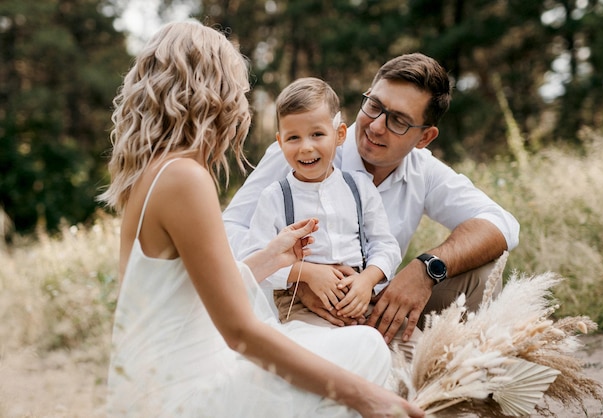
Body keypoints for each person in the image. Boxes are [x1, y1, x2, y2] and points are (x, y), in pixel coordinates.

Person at [99, 21, 423, 418]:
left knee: (336, 348)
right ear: (211, 93)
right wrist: (367, 397)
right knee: (365, 347)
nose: (242, 102)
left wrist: (271, 258)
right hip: (179, 396)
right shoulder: (184, 178)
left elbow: (188, 295)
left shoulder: (154, 173)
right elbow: (240, 333)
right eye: (237, 88)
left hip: (150, 386)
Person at [223, 53, 520, 345]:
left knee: (483, 271)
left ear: (424, 138)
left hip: (374, 304)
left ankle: (468, 378)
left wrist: (425, 269)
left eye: (399, 121)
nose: (376, 126)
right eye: (374, 106)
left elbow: (502, 224)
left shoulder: (424, 171)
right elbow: (227, 229)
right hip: (292, 310)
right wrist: (297, 279)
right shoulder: (302, 149)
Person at [239, 77, 401, 321]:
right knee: (322, 350)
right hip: (300, 301)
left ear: (339, 134)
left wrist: (367, 280)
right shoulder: (275, 197)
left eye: (317, 134)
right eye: (293, 138)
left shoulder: (359, 187)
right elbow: (256, 263)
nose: (305, 147)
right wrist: (307, 273)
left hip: (359, 293)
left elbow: (386, 245)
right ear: (280, 142)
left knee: (407, 349)